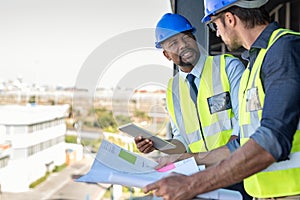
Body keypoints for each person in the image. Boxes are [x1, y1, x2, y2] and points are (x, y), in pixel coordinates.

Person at [143, 0, 300, 199]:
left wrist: (192, 184)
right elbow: (243, 142)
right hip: (262, 190)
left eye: (215, 25)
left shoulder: (283, 50)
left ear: (229, 18)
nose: (216, 33)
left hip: (291, 191)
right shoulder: (257, 62)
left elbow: (272, 138)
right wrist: (187, 158)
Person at [134, 13, 250, 199]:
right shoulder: (173, 89)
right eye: (173, 44)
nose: (183, 45)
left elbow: (245, 122)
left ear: (194, 38)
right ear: (166, 54)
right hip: (198, 180)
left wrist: (223, 158)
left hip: (236, 171)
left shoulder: (228, 67)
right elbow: (182, 140)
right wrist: (157, 145)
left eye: (186, 37)